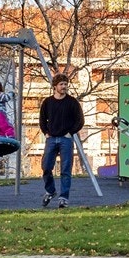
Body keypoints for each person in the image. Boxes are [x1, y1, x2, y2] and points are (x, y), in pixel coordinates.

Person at [38, 73, 83, 208]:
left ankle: (64, 198)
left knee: (65, 169)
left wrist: (71, 133)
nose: (64, 87)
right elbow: (42, 119)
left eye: (65, 84)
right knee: (46, 167)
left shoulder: (72, 102)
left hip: (66, 139)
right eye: (61, 84)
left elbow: (80, 120)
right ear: (55, 86)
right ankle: (50, 191)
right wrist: (46, 132)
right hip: (51, 138)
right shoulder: (47, 102)